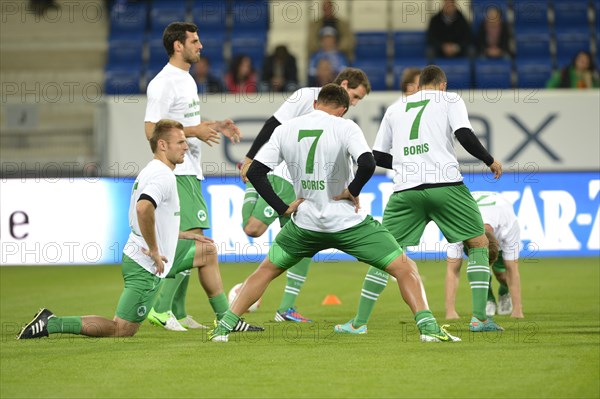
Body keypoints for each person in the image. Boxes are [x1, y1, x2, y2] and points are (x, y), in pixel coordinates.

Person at [209, 84, 460, 343]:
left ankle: (223, 328)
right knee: (405, 268)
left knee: (265, 271)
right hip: (347, 224)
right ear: (342, 109)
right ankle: (428, 329)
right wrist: (353, 189)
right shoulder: (346, 127)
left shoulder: (285, 130)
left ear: (316, 103)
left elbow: (255, 172)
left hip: (305, 225)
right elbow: (368, 162)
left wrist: (282, 208)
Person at [335, 65, 504, 335]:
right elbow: (464, 134)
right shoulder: (450, 99)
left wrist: (406, 165)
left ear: (419, 85)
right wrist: (489, 160)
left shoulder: (395, 108)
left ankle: (358, 323)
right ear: (442, 85)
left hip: (405, 192)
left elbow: (377, 155)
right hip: (446, 186)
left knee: (385, 254)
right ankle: (480, 319)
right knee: (479, 242)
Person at [16, 120, 209, 339]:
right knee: (121, 329)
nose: (186, 146)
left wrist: (178, 233)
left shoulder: (154, 170)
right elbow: (143, 208)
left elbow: (151, 214)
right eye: (181, 142)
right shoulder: (162, 175)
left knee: (125, 328)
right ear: (163, 145)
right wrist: (155, 250)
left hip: (139, 258)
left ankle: (50, 323)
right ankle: (50, 324)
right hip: (144, 264)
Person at [144, 22, 261, 333]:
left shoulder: (187, 80)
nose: (201, 46)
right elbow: (150, 131)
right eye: (194, 41)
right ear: (178, 46)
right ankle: (161, 308)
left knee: (193, 244)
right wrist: (194, 131)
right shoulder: (163, 83)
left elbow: (183, 123)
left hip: (190, 171)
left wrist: (214, 124)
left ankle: (178, 313)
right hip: (178, 173)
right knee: (194, 245)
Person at [238, 68, 371, 323]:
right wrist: (250, 157)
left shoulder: (341, 122)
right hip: (285, 178)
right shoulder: (306, 96)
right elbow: (273, 124)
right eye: (355, 96)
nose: (354, 104)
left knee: (305, 243)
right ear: (343, 84)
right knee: (253, 229)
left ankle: (285, 307)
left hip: (309, 187)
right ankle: (255, 298)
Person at [446, 191, 524, 320]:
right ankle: (488, 298)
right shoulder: (458, 224)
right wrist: (450, 311)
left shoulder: (509, 224)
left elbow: (512, 269)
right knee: (478, 270)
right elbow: (452, 270)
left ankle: (504, 290)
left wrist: (517, 309)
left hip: (497, 213)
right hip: (468, 218)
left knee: (502, 273)